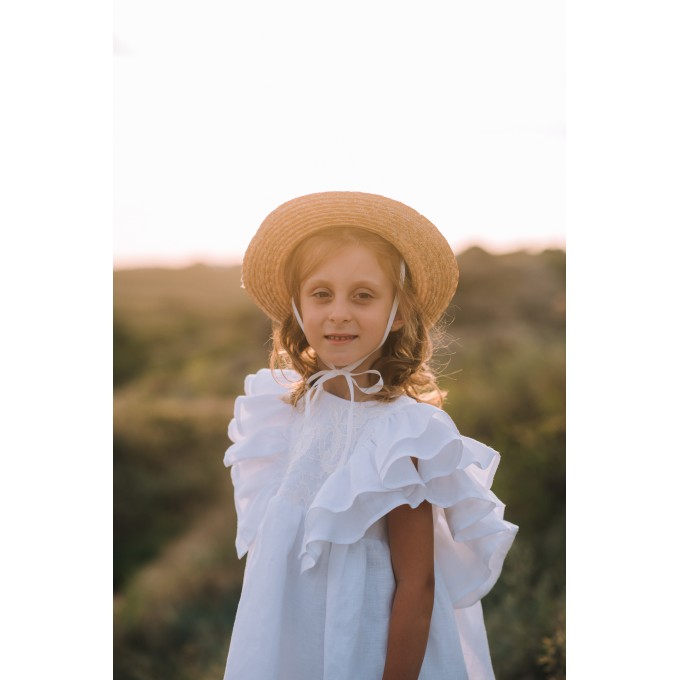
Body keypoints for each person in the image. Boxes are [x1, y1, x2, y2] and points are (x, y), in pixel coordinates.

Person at [223, 191, 518, 680]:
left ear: (397, 312)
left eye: (363, 295)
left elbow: (417, 584)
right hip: (290, 643)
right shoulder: (283, 411)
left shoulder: (400, 433)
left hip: (364, 646)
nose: (339, 312)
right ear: (298, 307)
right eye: (321, 294)